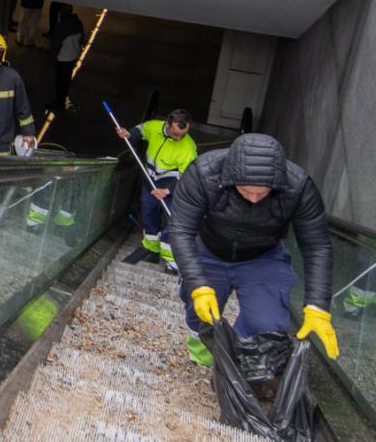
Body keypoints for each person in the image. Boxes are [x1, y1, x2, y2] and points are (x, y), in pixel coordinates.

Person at [168, 133, 337, 367]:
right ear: (230, 177)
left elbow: (317, 245)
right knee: (201, 314)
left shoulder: (298, 186)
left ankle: (236, 363)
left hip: (263, 257)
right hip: (209, 251)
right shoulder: (202, 174)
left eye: (263, 192)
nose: (255, 199)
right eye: (247, 191)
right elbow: (180, 230)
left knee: (265, 324)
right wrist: (197, 284)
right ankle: (203, 350)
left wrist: (318, 305)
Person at [115, 109, 197, 272]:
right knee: (148, 214)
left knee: (175, 220)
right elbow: (140, 130)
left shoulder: (188, 147)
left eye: (183, 134)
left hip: (173, 186)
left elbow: (187, 176)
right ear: (167, 124)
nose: (179, 138)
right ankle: (151, 250)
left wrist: (166, 191)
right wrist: (128, 134)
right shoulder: (154, 127)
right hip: (150, 181)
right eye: (175, 133)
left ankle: (172, 261)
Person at [47, 10, 84, 113]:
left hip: (63, 58)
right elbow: (82, 39)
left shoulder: (61, 27)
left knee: (60, 81)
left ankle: (59, 102)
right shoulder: (78, 23)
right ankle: (62, 99)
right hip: (74, 55)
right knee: (67, 79)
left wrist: (52, 57)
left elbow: (56, 45)